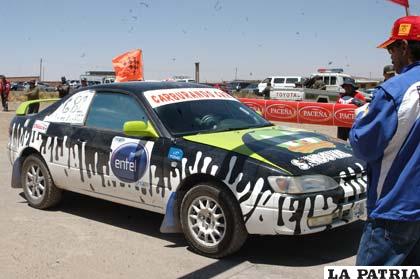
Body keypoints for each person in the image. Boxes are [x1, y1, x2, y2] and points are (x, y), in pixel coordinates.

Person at [350, 16, 420, 266]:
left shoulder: (394, 91)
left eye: (391, 48)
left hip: (394, 210)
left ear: (404, 47)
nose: (389, 55)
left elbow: (363, 147)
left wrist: (361, 118)